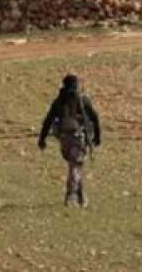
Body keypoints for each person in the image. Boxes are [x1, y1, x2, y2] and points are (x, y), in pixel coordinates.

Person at [37, 74, 101, 207]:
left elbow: (48, 121)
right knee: (75, 166)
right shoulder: (82, 100)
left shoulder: (59, 101)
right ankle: (71, 195)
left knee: (75, 166)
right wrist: (97, 136)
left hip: (64, 140)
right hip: (78, 139)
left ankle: (81, 196)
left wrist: (42, 139)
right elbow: (94, 118)